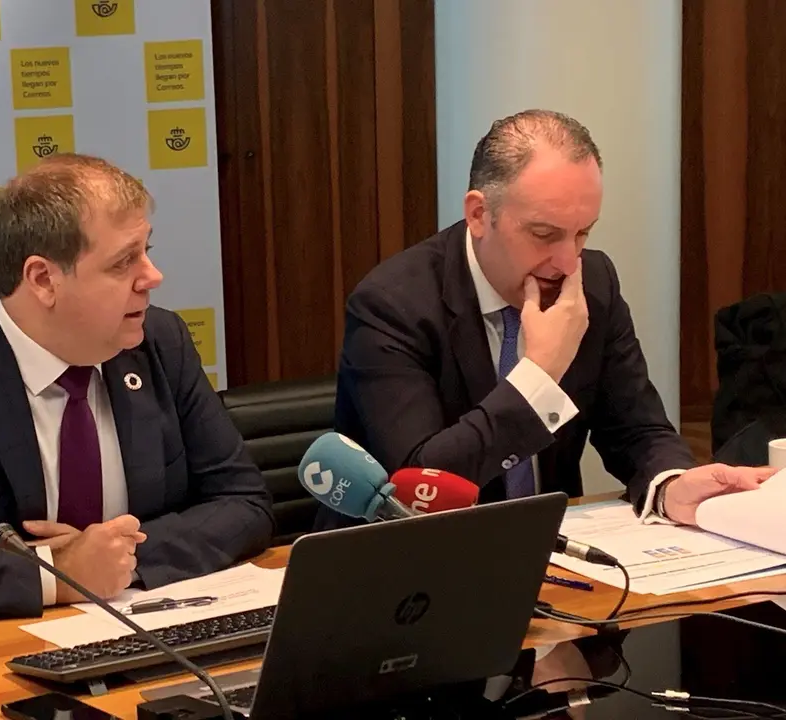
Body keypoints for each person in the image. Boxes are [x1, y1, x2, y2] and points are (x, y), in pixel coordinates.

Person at [0, 153, 274, 626]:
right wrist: (56, 574)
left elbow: (245, 502)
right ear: (43, 279)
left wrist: (117, 558)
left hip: (149, 631)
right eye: (124, 262)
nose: (152, 276)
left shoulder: (161, 344)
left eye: (146, 250)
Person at [318, 109, 774, 532]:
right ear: (479, 214)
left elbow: (636, 429)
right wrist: (539, 377)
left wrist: (671, 484)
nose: (567, 261)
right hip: (405, 566)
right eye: (544, 234)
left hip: (549, 554)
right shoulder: (391, 303)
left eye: (583, 233)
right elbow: (420, 485)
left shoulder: (593, 282)